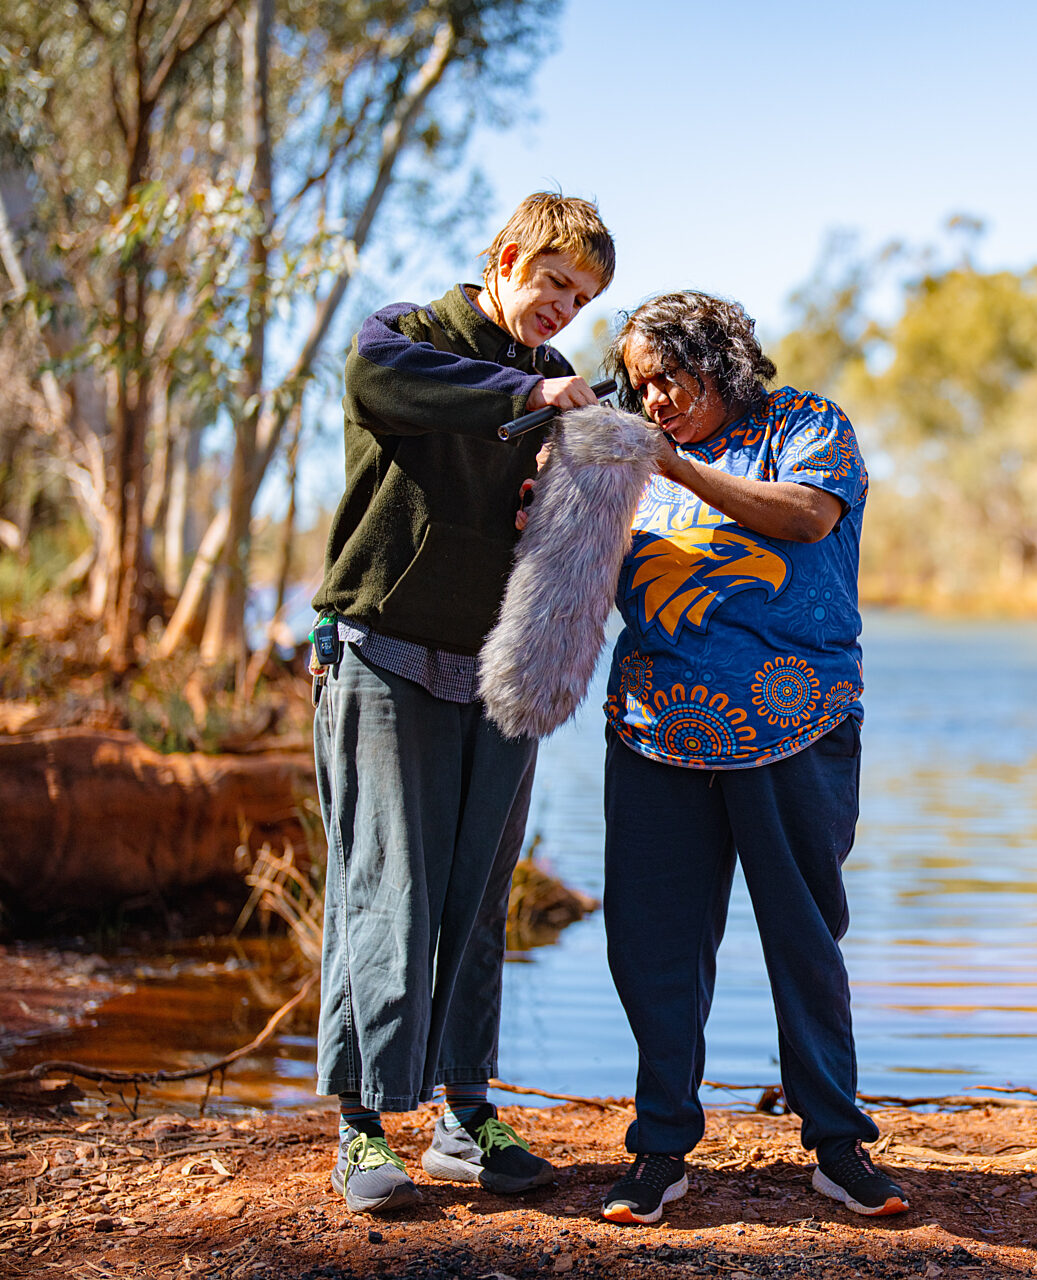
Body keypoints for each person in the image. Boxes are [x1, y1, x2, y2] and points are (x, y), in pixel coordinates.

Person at [309, 192, 614, 1213]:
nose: (561, 308)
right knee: (385, 887)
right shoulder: (411, 334)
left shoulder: (558, 386)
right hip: (383, 652)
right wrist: (532, 400)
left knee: (479, 895)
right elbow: (375, 379)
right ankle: (360, 1128)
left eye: (580, 298)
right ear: (507, 257)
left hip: (498, 668)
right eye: (554, 283)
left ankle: (461, 1114)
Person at [595, 290, 905, 1226]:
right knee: (653, 944)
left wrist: (677, 470)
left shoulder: (808, 424)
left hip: (794, 726)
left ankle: (837, 1145)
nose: (651, 401)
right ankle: (659, 1150)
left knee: (804, 936)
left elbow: (808, 519)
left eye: (668, 380)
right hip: (655, 728)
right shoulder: (629, 453)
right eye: (638, 386)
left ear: (718, 364)